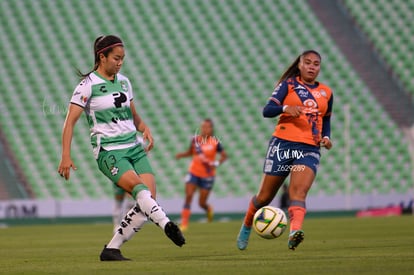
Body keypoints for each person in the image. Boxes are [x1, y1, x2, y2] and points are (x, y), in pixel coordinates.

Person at [58, 35, 185, 261]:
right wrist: (65, 155)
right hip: (110, 151)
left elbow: (133, 116)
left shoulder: (125, 81)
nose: (120, 63)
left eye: (123, 59)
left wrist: (144, 127)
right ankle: (167, 224)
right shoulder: (87, 86)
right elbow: (69, 122)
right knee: (141, 191)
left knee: (148, 201)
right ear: (102, 56)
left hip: (134, 148)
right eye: (116, 58)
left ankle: (111, 249)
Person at [236, 50, 333, 251]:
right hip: (283, 145)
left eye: (316, 64)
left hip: (309, 148)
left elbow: (326, 119)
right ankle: (246, 226)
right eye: (308, 62)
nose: (312, 67)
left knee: (298, 191)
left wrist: (326, 137)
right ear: (299, 65)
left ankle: (294, 233)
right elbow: (267, 110)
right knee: (264, 197)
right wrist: (285, 108)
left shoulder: (327, 92)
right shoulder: (288, 85)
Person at [175, 119, 227, 231]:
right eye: (203, 126)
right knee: (189, 195)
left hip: (207, 175)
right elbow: (190, 152)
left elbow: (224, 155)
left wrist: (217, 163)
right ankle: (184, 223)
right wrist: (182, 155)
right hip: (194, 172)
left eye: (207, 127)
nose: (205, 129)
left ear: (211, 129)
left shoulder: (215, 142)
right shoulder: (195, 140)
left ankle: (208, 209)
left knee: (201, 203)